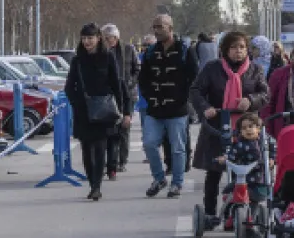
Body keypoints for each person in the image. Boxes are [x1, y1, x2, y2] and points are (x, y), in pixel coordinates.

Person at [190, 31, 269, 230]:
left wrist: (250, 100)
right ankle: (210, 213)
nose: (238, 51)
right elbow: (196, 90)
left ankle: (241, 213)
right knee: (215, 171)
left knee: (248, 172)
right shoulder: (212, 68)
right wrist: (205, 107)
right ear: (225, 50)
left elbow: (265, 94)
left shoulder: (255, 70)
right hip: (218, 126)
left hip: (247, 129)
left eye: (242, 47)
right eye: (233, 47)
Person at [66, 23, 131, 201]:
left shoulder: (108, 57)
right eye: (84, 38)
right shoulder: (77, 60)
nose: (87, 42)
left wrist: (121, 110)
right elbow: (69, 86)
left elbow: (117, 84)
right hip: (83, 112)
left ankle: (97, 186)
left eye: (90, 38)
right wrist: (76, 103)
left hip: (104, 110)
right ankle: (92, 182)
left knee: (101, 148)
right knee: (87, 150)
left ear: (98, 39)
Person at [139, 14, 199, 199]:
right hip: (155, 109)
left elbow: (194, 77)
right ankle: (159, 178)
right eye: (154, 27)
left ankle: (177, 183)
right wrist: (150, 97)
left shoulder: (184, 50)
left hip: (177, 109)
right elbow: (143, 78)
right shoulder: (151, 51)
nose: (157, 30)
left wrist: (183, 98)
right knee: (149, 144)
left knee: (178, 148)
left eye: (160, 27)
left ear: (170, 28)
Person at [102, 23, 139, 174]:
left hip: (127, 93)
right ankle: (111, 161)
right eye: (105, 38)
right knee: (109, 130)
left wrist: (130, 82)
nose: (107, 41)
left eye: (109, 38)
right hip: (108, 96)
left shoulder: (128, 49)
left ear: (116, 37)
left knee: (124, 127)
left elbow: (137, 69)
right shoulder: (102, 51)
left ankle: (122, 160)